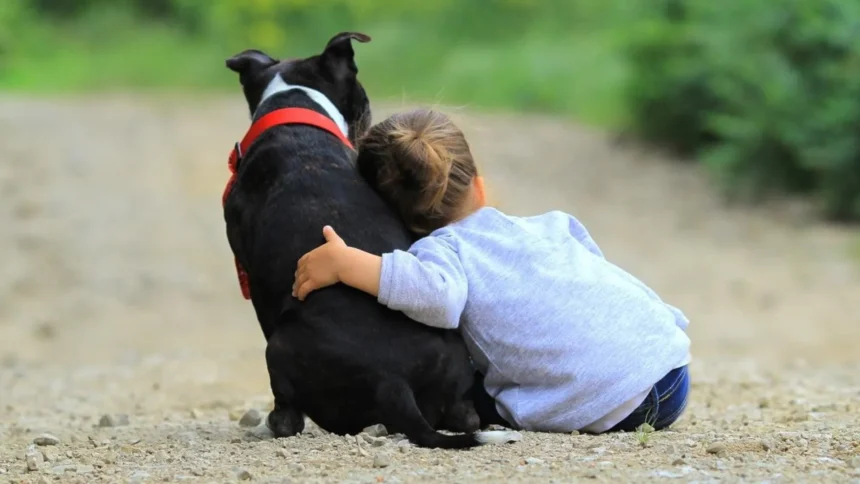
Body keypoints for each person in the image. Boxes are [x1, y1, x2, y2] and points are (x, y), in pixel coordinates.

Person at [291, 109, 691, 434]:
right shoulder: (551, 224)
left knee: (466, 392)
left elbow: (438, 298)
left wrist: (350, 264)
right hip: (669, 366)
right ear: (478, 186)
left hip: (619, 404)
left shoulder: (442, 251)